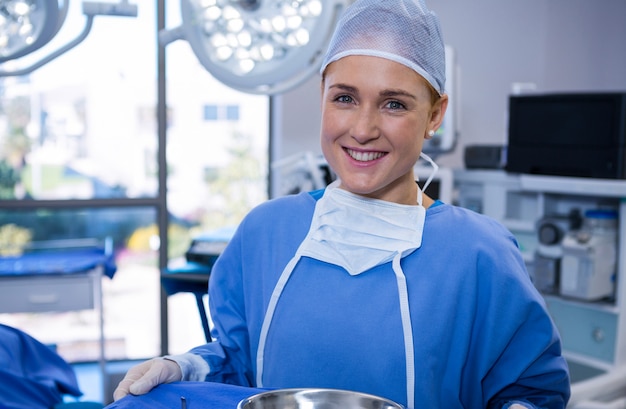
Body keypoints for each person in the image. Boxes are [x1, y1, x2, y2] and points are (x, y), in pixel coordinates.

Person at [113, 0, 571, 407]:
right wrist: (186, 368)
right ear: (322, 97)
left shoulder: (479, 254)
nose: (363, 128)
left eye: (394, 104)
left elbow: (531, 392)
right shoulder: (266, 233)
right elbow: (239, 361)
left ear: (435, 114)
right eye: (345, 98)